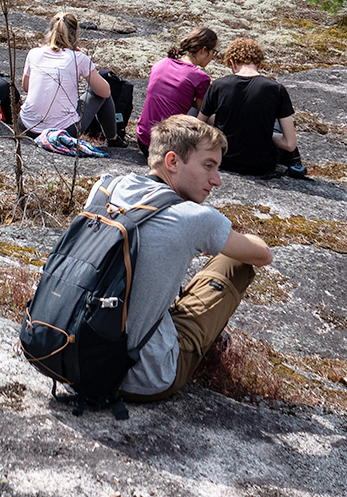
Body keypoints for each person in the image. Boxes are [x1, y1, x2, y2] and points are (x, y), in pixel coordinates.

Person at [85, 114, 272, 402]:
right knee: (235, 261)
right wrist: (216, 238)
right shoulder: (194, 218)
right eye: (208, 166)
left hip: (77, 353)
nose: (217, 180)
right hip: (142, 375)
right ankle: (204, 344)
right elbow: (263, 255)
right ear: (172, 161)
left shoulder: (106, 187)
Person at [198, 37, 307, 180]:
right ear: (259, 64)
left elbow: (198, 125)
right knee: (275, 124)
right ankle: (294, 163)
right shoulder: (276, 89)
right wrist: (269, 134)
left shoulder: (218, 85)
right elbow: (290, 144)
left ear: (232, 63)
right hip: (262, 165)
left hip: (225, 161)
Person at [18, 11, 120, 145]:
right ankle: (113, 139)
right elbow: (105, 92)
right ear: (75, 33)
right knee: (99, 92)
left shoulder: (34, 53)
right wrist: (85, 61)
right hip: (63, 131)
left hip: (27, 126)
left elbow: (26, 87)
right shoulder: (78, 58)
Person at [136, 27, 219, 157]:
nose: (213, 57)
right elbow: (202, 116)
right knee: (210, 115)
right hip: (168, 147)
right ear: (203, 50)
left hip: (144, 140)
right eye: (214, 52)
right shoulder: (200, 77)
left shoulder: (161, 63)